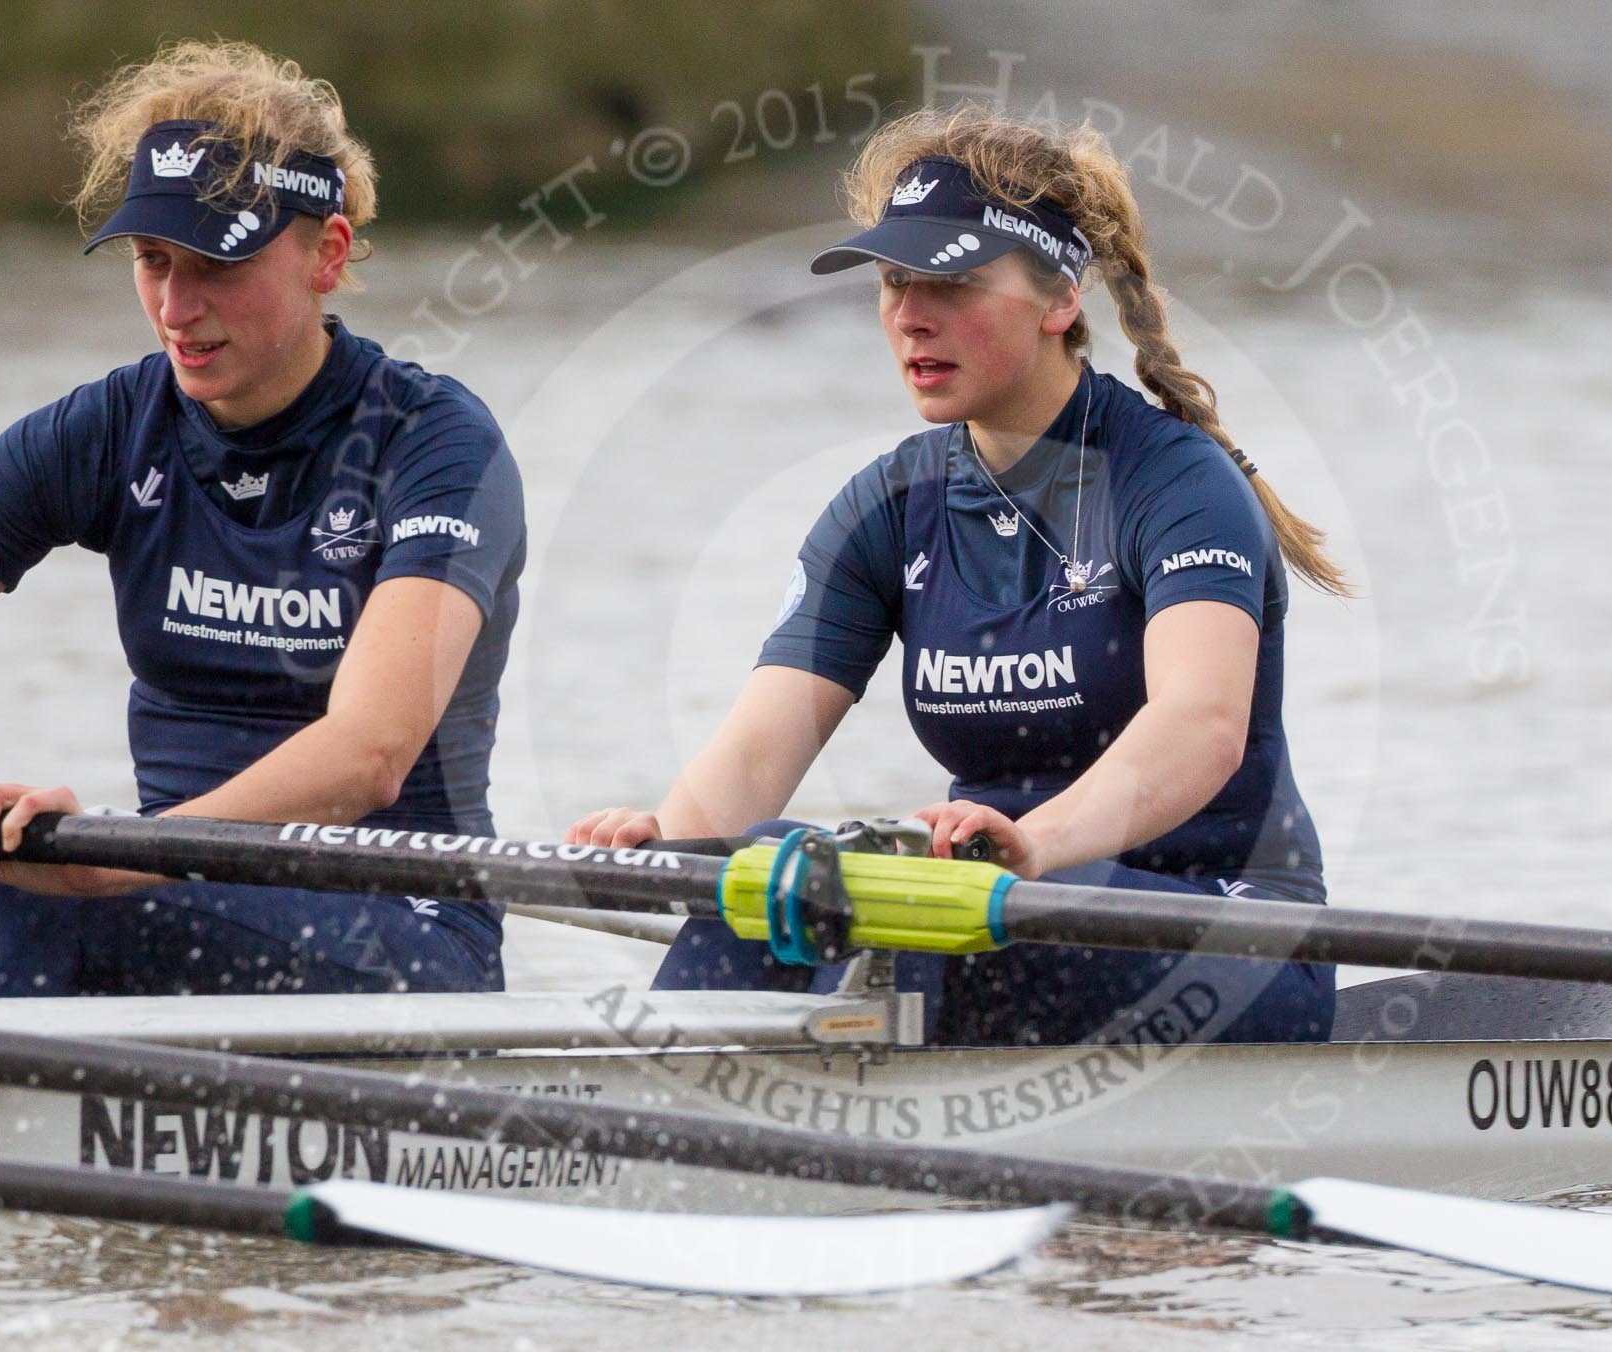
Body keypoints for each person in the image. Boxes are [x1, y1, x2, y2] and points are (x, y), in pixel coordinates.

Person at [571, 106, 1349, 1047]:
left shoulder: (1179, 485)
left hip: (1229, 929)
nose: (909, 314)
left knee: (924, 900)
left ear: (1060, 299)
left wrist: (1038, 847)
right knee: (774, 869)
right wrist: (666, 846)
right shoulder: (888, 507)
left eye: (951, 280)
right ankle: (651, 1126)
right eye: (896, 281)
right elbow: (756, 752)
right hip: (988, 913)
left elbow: (1204, 727)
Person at [0, 40, 524, 1002]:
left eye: (218, 266)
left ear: (329, 253)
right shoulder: (107, 428)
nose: (176, 308)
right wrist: (116, 857)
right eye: (153, 261)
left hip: (399, 925)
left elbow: (371, 752)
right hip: (165, 888)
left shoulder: (435, 444)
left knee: (41, 896)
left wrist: (123, 858)